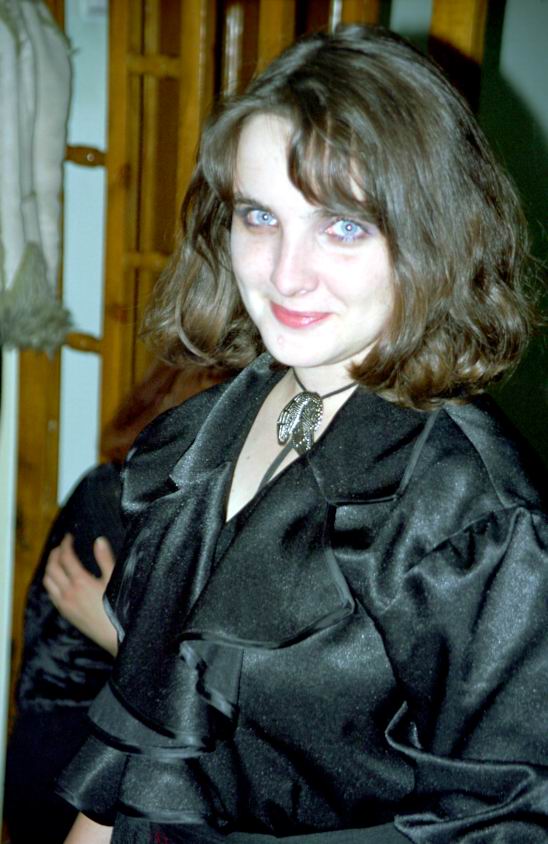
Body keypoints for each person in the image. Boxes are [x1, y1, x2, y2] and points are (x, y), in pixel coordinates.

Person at [57, 25, 547, 844]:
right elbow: (142, 743)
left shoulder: (478, 520)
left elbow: (511, 823)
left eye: (343, 226)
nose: (285, 273)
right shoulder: (206, 434)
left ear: (433, 235)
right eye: (260, 216)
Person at [3, 361, 229, 844]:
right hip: (75, 763)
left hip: (91, 753)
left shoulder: (134, 496)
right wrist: (117, 638)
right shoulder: (119, 500)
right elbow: (181, 677)